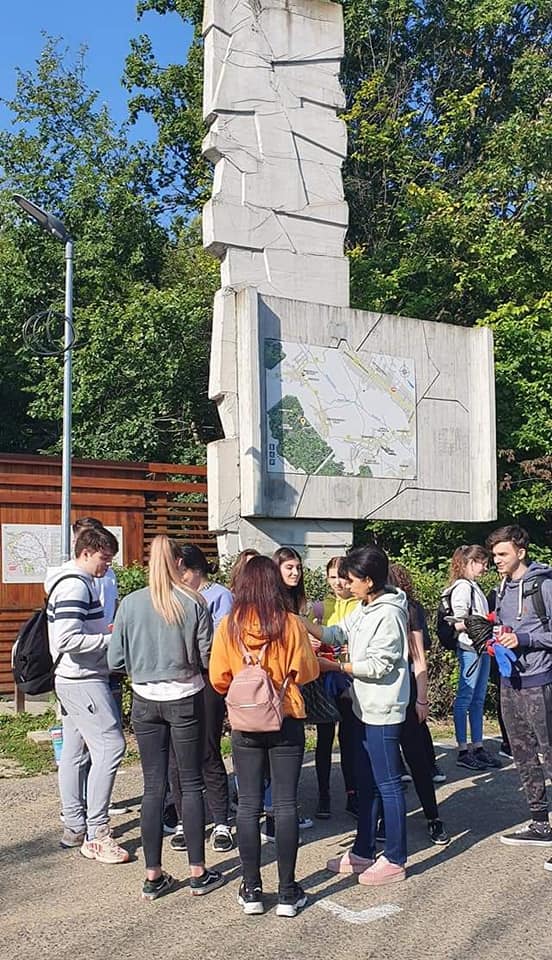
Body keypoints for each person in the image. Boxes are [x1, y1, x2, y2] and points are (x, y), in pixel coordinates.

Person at [108, 535, 224, 900]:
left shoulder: (130, 603)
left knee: (153, 786)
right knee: (190, 783)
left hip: (144, 699)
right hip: (185, 696)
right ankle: (198, 872)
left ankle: (153, 875)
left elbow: (115, 660)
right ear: (178, 563)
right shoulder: (193, 601)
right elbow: (207, 657)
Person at [209, 555, 320, 917]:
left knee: (248, 805)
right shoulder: (290, 623)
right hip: (285, 718)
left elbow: (218, 678)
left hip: (245, 722)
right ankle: (287, 892)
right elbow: (307, 671)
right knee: (285, 804)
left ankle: (252, 888)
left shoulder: (229, 626)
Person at [305, 545, 411, 885]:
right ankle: (363, 850)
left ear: (369, 581)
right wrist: (298, 620)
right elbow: (336, 633)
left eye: (351, 579)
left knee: (388, 784)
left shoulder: (389, 614)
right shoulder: (365, 607)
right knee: (366, 782)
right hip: (363, 707)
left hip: (383, 709)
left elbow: (380, 666)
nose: (346, 585)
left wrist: (334, 666)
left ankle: (395, 858)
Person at [46, 525, 128, 863]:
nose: (107, 567)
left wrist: (99, 631)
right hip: (83, 678)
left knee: (74, 752)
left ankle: (75, 826)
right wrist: (112, 639)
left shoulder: (69, 581)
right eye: (104, 559)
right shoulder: (76, 586)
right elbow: (66, 639)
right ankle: (97, 833)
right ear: (86, 552)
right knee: (111, 746)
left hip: (71, 678)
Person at [485, 526, 552, 862]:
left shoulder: (544, 585)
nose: (496, 560)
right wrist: (492, 639)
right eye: (494, 555)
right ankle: (540, 824)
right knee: (522, 755)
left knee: (549, 754)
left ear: (521, 552)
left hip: (540, 681)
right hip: (510, 682)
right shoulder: (502, 587)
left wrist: (524, 640)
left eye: (503, 554)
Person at [167, 544, 234, 853]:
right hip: (177, 679)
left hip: (208, 679)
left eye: (180, 573)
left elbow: (221, 642)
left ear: (192, 570)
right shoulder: (174, 596)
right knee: (176, 755)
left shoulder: (219, 596)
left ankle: (221, 820)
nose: (177, 579)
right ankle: (184, 819)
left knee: (207, 749)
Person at [386, 564, 449, 846]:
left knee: (417, 760)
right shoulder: (367, 609)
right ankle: (385, 820)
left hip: (407, 692)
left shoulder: (407, 609)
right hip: (380, 696)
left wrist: (422, 699)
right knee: (385, 764)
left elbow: (419, 659)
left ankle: (433, 816)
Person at [310, 556, 358, 819]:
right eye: (332, 577)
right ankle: (323, 795)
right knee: (324, 739)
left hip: (351, 678)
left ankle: (352, 793)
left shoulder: (361, 605)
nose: (338, 582)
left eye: (342, 576)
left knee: (350, 739)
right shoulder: (319, 608)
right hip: (325, 679)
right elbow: (305, 640)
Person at [447, 544, 500, 770]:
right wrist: (479, 623)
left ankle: (477, 746)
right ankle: (463, 749)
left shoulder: (473, 586)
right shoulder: (462, 587)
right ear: (470, 563)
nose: (486, 568)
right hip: (470, 647)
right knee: (466, 698)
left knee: (477, 699)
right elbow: (457, 621)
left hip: (482, 647)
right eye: (482, 563)